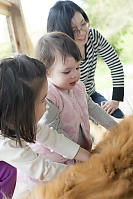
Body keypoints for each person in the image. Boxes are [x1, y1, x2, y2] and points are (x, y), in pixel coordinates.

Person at [0, 55, 93, 193]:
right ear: (21, 109)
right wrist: (80, 173)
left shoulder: (19, 122)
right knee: (9, 175)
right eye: (43, 100)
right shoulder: (6, 143)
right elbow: (42, 169)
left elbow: (52, 138)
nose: (47, 104)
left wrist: (87, 157)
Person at [32, 32, 117, 166]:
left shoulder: (79, 87)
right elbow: (55, 136)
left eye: (77, 67)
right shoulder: (49, 97)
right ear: (47, 72)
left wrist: (115, 128)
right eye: (67, 71)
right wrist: (78, 154)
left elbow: (93, 108)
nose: (75, 75)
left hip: (80, 149)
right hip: (59, 158)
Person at [47, 0, 124, 119]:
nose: (82, 32)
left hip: (91, 96)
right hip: (68, 104)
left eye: (83, 24)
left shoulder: (93, 36)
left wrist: (115, 100)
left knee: (118, 118)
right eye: (74, 30)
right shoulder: (56, 52)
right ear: (61, 34)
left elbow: (115, 65)